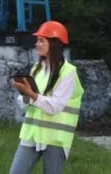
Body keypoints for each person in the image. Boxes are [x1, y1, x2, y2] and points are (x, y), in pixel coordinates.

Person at [9, 21, 84, 174]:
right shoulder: (37, 68)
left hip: (56, 138)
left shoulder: (68, 72)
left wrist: (32, 95)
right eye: (38, 40)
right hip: (32, 133)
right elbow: (24, 104)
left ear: (55, 44)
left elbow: (55, 107)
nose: (37, 44)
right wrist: (24, 95)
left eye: (41, 40)